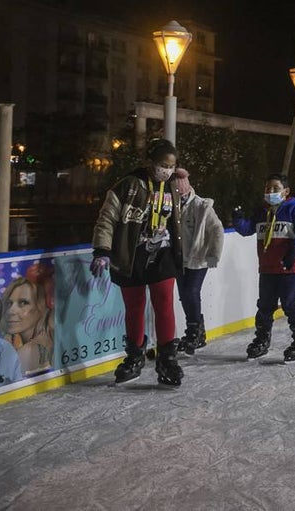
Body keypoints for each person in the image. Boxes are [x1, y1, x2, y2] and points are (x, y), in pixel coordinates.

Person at [91, 137, 184, 386]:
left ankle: (167, 359)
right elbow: (107, 219)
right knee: (134, 307)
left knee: (164, 303)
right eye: (163, 164)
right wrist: (102, 250)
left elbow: (191, 202)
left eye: (172, 166)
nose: (167, 170)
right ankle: (135, 356)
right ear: (150, 162)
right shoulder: (128, 186)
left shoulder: (174, 186)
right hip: (131, 256)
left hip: (162, 254)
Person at [232, 173, 295, 361]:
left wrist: (293, 251)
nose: (270, 192)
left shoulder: (294, 208)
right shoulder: (262, 211)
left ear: (286, 191)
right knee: (265, 306)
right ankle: (262, 340)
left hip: (290, 268)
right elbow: (247, 229)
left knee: (290, 304)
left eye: (275, 188)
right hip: (268, 269)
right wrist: (237, 219)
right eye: (267, 188)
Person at [173, 169, 225, 355]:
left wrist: (213, 255)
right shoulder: (169, 205)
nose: (179, 197)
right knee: (184, 295)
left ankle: (195, 332)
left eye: (181, 194)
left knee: (191, 292)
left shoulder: (201, 206)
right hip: (178, 260)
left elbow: (217, 229)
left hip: (198, 259)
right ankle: (195, 331)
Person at [2, 263, 55, 376]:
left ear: (41, 307)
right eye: (9, 303)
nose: (11, 311)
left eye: (23, 303)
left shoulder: (26, 352)